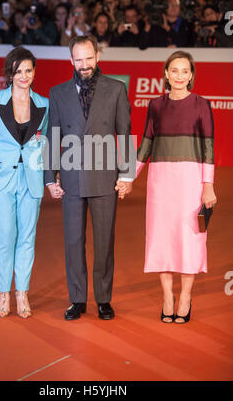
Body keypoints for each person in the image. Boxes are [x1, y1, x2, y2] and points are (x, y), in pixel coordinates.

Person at [45, 35, 134, 321]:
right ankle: (77, 299)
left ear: (98, 56)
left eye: (88, 58)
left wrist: (127, 174)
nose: (84, 64)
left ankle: (104, 299)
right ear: (71, 60)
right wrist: (50, 178)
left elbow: (125, 133)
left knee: (104, 242)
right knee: (73, 241)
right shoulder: (58, 93)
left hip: (105, 177)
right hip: (71, 178)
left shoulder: (116, 89)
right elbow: (53, 137)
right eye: (78, 59)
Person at [135, 50, 217, 324]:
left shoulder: (201, 105)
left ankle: (185, 297)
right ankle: (167, 296)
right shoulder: (155, 105)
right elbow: (146, 143)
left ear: (191, 75)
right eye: (175, 70)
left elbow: (208, 148)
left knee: (190, 239)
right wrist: (128, 177)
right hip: (160, 183)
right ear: (166, 74)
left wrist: (208, 186)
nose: (179, 75)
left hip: (190, 183)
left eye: (185, 71)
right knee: (162, 239)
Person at [0, 46, 49, 319]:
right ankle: (4, 291)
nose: (23, 76)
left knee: (27, 237)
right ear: (10, 74)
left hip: (31, 178)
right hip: (0, 178)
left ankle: (22, 292)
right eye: (18, 71)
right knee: (5, 235)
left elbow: (49, 140)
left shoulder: (43, 103)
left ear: (34, 72)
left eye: (28, 70)